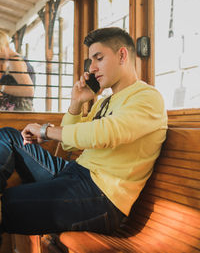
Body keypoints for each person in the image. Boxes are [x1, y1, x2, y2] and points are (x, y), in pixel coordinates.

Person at [0, 27, 167, 238]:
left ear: (122, 55)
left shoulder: (147, 97)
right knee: (9, 137)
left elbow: (105, 134)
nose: (92, 67)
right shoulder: (105, 102)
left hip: (101, 196)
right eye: (91, 61)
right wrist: (76, 102)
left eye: (99, 58)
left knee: (8, 203)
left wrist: (46, 130)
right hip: (74, 172)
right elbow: (70, 144)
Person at [0, 30, 35, 111]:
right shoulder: (13, 61)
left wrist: (1, 88)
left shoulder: (14, 61)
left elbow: (29, 91)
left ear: (2, 47)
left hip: (19, 114)